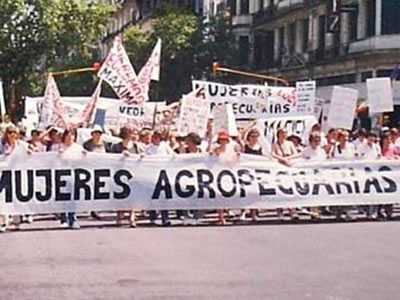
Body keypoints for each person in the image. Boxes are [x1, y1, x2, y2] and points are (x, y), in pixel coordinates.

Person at [0, 125, 31, 232]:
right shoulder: (2, 145)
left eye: (14, 132)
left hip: (17, 174)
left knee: (15, 196)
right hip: (4, 174)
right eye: (10, 132)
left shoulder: (21, 145)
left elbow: (32, 151)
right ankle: (3, 222)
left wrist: (30, 153)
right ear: (6, 134)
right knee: (3, 197)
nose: (12, 134)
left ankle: (16, 220)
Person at [110, 127, 139, 228]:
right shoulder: (116, 146)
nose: (133, 135)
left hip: (132, 173)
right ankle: (119, 216)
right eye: (131, 132)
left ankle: (132, 217)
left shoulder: (135, 146)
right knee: (120, 195)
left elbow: (138, 157)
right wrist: (121, 156)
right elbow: (111, 158)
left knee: (133, 195)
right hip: (120, 173)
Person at [211, 130, 241, 225]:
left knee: (228, 196)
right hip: (218, 175)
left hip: (229, 175)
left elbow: (236, 159)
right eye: (221, 139)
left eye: (224, 139)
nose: (223, 141)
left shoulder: (231, 149)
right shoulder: (216, 150)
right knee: (219, 196)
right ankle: (221, 217)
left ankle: (227, 213)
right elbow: (210, 159)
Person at [58, 129, 86, 229]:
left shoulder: (78, 148)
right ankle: (64, 219)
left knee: (73, 199)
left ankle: (73, 219)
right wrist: (57, 155)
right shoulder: (59, 147)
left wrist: (85, 155)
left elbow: (83, 160)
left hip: (74, 176)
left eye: (72, 135)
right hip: (61, 176)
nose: (70, 137)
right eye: (68, 135)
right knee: (63, 198)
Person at [145, 131, 174, 226]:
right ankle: (152, 216)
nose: (156, 139)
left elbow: (173, 156)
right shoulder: (148, 148)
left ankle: (165, 218)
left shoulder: (165, 146)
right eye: (154, 137)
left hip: (164, 175)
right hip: (152, 175)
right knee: (153, 196)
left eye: (158, 137)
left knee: (164, 197)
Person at [83, 125, 108, 219]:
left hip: (102, 169)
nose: (97, 135)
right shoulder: (87, 144)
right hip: (90, 170)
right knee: (91, 189)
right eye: (95, 133)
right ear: (92, 134)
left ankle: (96, 209)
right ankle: (92, 208)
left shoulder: (105, 144)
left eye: (99, 133)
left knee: (100, 190)